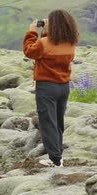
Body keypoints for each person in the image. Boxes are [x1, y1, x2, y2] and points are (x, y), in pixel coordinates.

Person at [23, 9, 79, 167]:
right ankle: (58, 155)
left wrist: (32, 33)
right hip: (63, 86)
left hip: (47, 87)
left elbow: (30, 51)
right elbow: (50, 49)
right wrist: (47, 34)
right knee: (58, 121)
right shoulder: (70, 44)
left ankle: (55, 160)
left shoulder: (43, 43)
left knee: (48, 123)